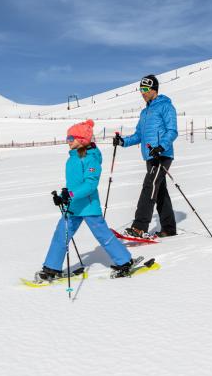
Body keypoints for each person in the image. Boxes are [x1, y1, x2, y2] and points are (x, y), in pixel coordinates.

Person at [35, 119, 135, 281]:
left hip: (88, 206)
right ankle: (51, 268)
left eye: (70, 139)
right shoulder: (72, 159)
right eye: (67, 138)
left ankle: (125, 261)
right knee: (61, 234)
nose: (67, 142)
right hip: (73, 207)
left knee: (103, 235)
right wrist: (62, 198)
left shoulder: (91, 158)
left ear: (81, 140)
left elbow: (90, 184)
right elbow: (73, 185)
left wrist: (71, 195)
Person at [113, 74, 179, 238]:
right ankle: (169, 228)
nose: (142, 93)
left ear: (153, 89)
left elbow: (172, 131)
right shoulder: (145, 112)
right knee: (160, 191)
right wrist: (122, 141)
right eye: (140, 89)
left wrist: (160, 146)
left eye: (144, 89)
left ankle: (139, 226)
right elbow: (138, 135)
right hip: (150, 156)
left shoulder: (166, 106)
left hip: (162, 155)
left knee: (149, 186)